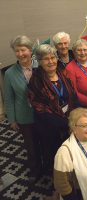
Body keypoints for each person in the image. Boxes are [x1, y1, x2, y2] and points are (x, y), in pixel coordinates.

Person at [28, 44, 77, 174]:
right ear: (39, 62)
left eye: (53, 57)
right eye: (46, 59)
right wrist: (67, 123)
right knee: (55, 156)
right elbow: (40, 108)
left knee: (70, 153)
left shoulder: (62, 72)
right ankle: (57, 183)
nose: (50, 61)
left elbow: (72, 95)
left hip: (68, 122)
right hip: (49, 128)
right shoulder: (36, 80)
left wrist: (75, 117)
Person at [4, 35, 41, 181]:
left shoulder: (41, 66)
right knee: (31, 146)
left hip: (42, 113)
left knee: (44, 141)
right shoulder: (9, 73)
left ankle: (47, 167)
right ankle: (34, 169)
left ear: (30, 50)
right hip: (24, 115)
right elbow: (8, 97)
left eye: (23, 50)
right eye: (17, 51)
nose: (20, 54)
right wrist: (12, 119)